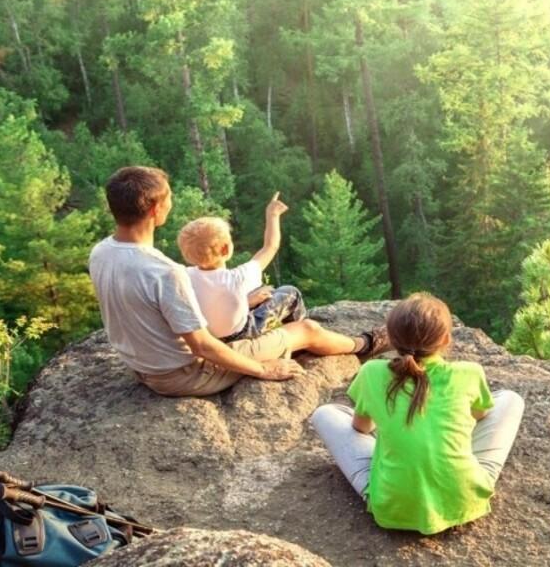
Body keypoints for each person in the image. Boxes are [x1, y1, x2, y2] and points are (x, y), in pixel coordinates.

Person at [88, 166, 388, 397]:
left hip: (142, 366)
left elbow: (159, 313)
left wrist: (242, 303)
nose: (171, 202)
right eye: (169, 197)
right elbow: (203, 347)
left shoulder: (101, 252)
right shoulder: (164, 272)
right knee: (307, 329)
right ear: (155, 210)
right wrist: (262, 369)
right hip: (185, 374)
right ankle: (365, 344)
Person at [309, 293, 525, 535]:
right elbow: (482, 414)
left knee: (325, 414)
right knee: (510, 399)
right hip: (464, 497)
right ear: (446, 339)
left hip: (392, 505)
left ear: (391, 339)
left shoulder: (371, 372)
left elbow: (361, 428)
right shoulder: (469, 373)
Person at [177, 192, 306, 343]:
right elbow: (270, 247)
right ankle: (302, 338)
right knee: (290, 293)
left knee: (254, 297)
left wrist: (246, 302)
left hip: (207, 337)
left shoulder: (184, 276)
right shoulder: (238, 278)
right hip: (241, 334)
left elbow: (212, 301)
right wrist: (273, 215)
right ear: (225, 249)